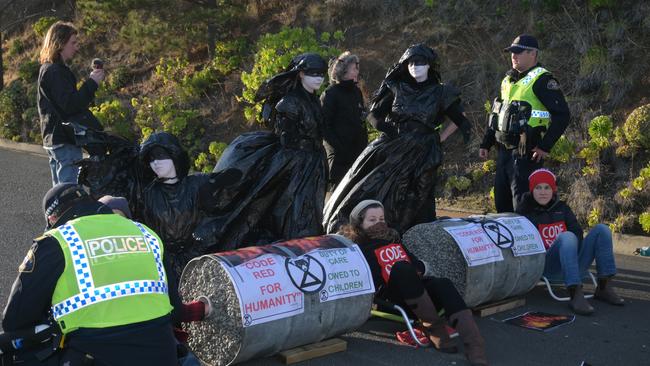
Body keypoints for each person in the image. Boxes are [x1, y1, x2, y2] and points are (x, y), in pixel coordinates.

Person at [1, 183, 177, 365]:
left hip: (96, 357)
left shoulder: (58, 241)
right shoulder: (147, 234)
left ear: (52, 218)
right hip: (163, 356)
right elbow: (175, 308)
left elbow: (14, 320)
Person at [324, 43, 472, 234]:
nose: (414, 66)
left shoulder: (441, 92)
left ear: (429, 65)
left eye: (419, 62)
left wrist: (439, 137)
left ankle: (418, 237)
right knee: (378, 190)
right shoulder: (396, 87)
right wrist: (384, 128)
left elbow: (461, 119)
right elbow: (374, 114)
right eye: (410, 63)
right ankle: (372, 234)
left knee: (420, 195)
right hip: (394, 148)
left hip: (424, 152)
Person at [341, 200, 488, 366]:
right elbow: (365, 279)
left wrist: (418, 268)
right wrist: (404, 269)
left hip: (418, 291)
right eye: (372, 220)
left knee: (443, 283)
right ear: (358, 224)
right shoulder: (359, 248)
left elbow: (417, 263)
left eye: (381, 219)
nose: (379, 224)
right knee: (402, 268)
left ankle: (475, 344)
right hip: (391, 297)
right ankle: (435, 330)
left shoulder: (393, 239)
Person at [207, 53, 328, 249]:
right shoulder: (289, 102)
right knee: (292, 210)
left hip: (312, 162)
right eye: (313, 74)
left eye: (321, 74)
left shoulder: (313, 99)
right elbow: (286, 138)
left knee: (310, 209)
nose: (319, 78)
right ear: (300, 75)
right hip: (294, 164)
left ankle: (307, 246)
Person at [479, 34, 570, 213]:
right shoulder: (508, 80)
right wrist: (486, 143)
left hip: (526, 155)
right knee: (502, 205)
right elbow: (498, 114)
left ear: (533, 54)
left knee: (523, 208)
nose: (513, 56)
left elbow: (563, 115)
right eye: (512, 52)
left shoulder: (543, 80)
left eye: (518, 52)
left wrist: (545, 146)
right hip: (504, 154)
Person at [516, 169, 624, 315]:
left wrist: (572, 251)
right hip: (547, 266)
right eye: (538, 188)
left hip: (572, 262)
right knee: (566, 236)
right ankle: (574, 293)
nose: (543, 192)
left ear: (553, 190)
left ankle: (604, 287)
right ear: (532, 190)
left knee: (602, 229)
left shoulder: (563, 209)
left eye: (547, 187)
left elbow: (578, 234)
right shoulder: (524, 213)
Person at [138, 132, 242, 279]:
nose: (155, 162)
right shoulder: (147, 194)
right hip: (165, 264)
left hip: (200, 259)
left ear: (174, 155)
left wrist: (218, 182)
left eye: (160, 156)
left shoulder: (196, 184)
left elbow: (236, 176)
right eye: (151, 158)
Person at [38, 21, 105, 186]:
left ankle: (56, 213)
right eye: (73, 43)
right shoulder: (55, 71)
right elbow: (70, 105)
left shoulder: (49, 69)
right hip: (63, 139)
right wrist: (92, 83)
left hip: (54, 138)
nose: (76, 47)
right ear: (59, 44)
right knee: (69, 196)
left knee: (59, 195)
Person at [320, 51, 368, 188]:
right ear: (344, 70)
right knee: (338, 197)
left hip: (358, 155)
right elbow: (324, 127)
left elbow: (360, 120)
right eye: (354, 68)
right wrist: (340, 149)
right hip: (339, 158)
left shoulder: (356, 91)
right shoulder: (330, 94)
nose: (357, 72)